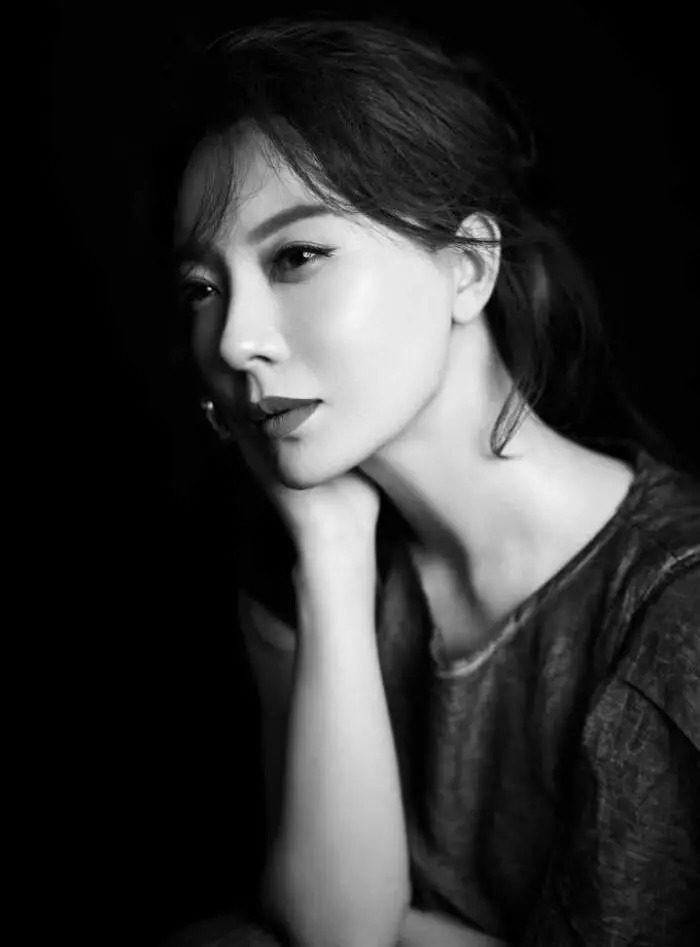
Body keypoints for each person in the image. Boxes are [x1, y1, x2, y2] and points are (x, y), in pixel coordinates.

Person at [159, 11, 700, 947]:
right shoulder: (284, 549)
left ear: (469, 266)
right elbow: (334, 926)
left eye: (296, 256)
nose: (235, 340)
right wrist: (331, 550)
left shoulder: (675, 609)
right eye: (202, 288)